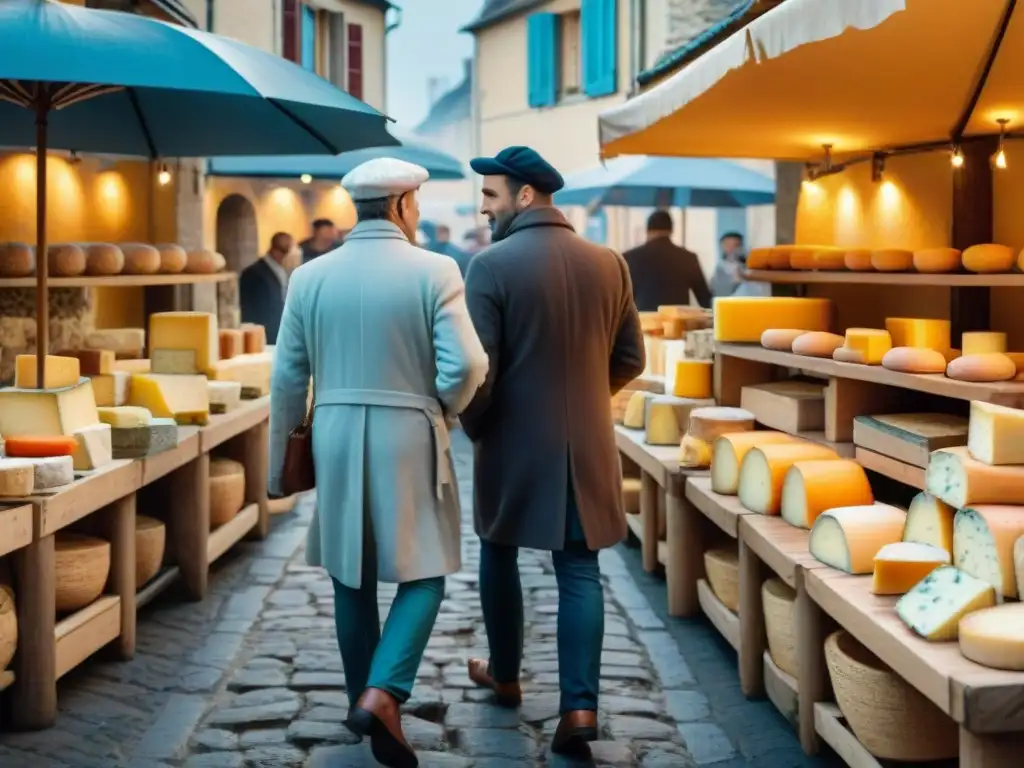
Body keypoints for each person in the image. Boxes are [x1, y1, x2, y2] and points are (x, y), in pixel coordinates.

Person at [267, 158, 488, 768]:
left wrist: (278, 466)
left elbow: (287, 376)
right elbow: (468, 366)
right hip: (408, 431)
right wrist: (441, 410)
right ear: (400, 206)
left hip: (334, 432)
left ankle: (362, 698)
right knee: (426, 569)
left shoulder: (309, 276)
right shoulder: (435, 268)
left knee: (349, 571)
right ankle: (385, 691)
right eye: (415, 203)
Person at [460, 146, 645, 759]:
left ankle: (506, 675)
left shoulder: (489, 266)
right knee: (580, 568)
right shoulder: (609, 262)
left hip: (511, 442)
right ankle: (579, 709)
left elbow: (478, 374)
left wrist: (477, 425)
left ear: (525, 196)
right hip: (587, 443)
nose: (483, 207)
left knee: (498, 550)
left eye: (491, 195)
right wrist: (588, 399)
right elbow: (631, 360)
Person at [622, 210, 712, 310]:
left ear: (647, 230)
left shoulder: (629, 257)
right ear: (671, 230)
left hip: (644, 321)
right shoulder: (688, 257)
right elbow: (704, 298)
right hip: (677, 322)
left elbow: (622, 297)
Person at [238, 232, 295, 344]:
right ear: (279, 252)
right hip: (264, 336)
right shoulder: (253, 273)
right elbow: (251, 310)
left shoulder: (281, 270)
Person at [710, 230, 768, 296]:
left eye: (736, 245)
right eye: (728, 245)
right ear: (722, 246)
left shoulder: (747, 264)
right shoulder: (720, 268)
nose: (732, 248)